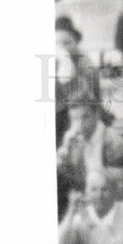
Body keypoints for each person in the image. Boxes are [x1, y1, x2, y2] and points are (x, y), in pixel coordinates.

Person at [56, 92, 123, 218]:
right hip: (95, 205)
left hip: (121, 209)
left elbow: (120, 191)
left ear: (97, 114)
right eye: (75, 119)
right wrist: (63, 162)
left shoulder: (115, 144)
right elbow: (80, 181)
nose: (80, 125)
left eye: (85, 117)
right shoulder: (77, 143)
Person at [54, 15, 99, 147]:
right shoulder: (55, 62)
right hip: (61, 116)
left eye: (67, 43)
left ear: (75, 41)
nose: (62, 48)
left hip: (83, 116)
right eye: (57, 43)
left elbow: (90, 97)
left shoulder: (85, 63)